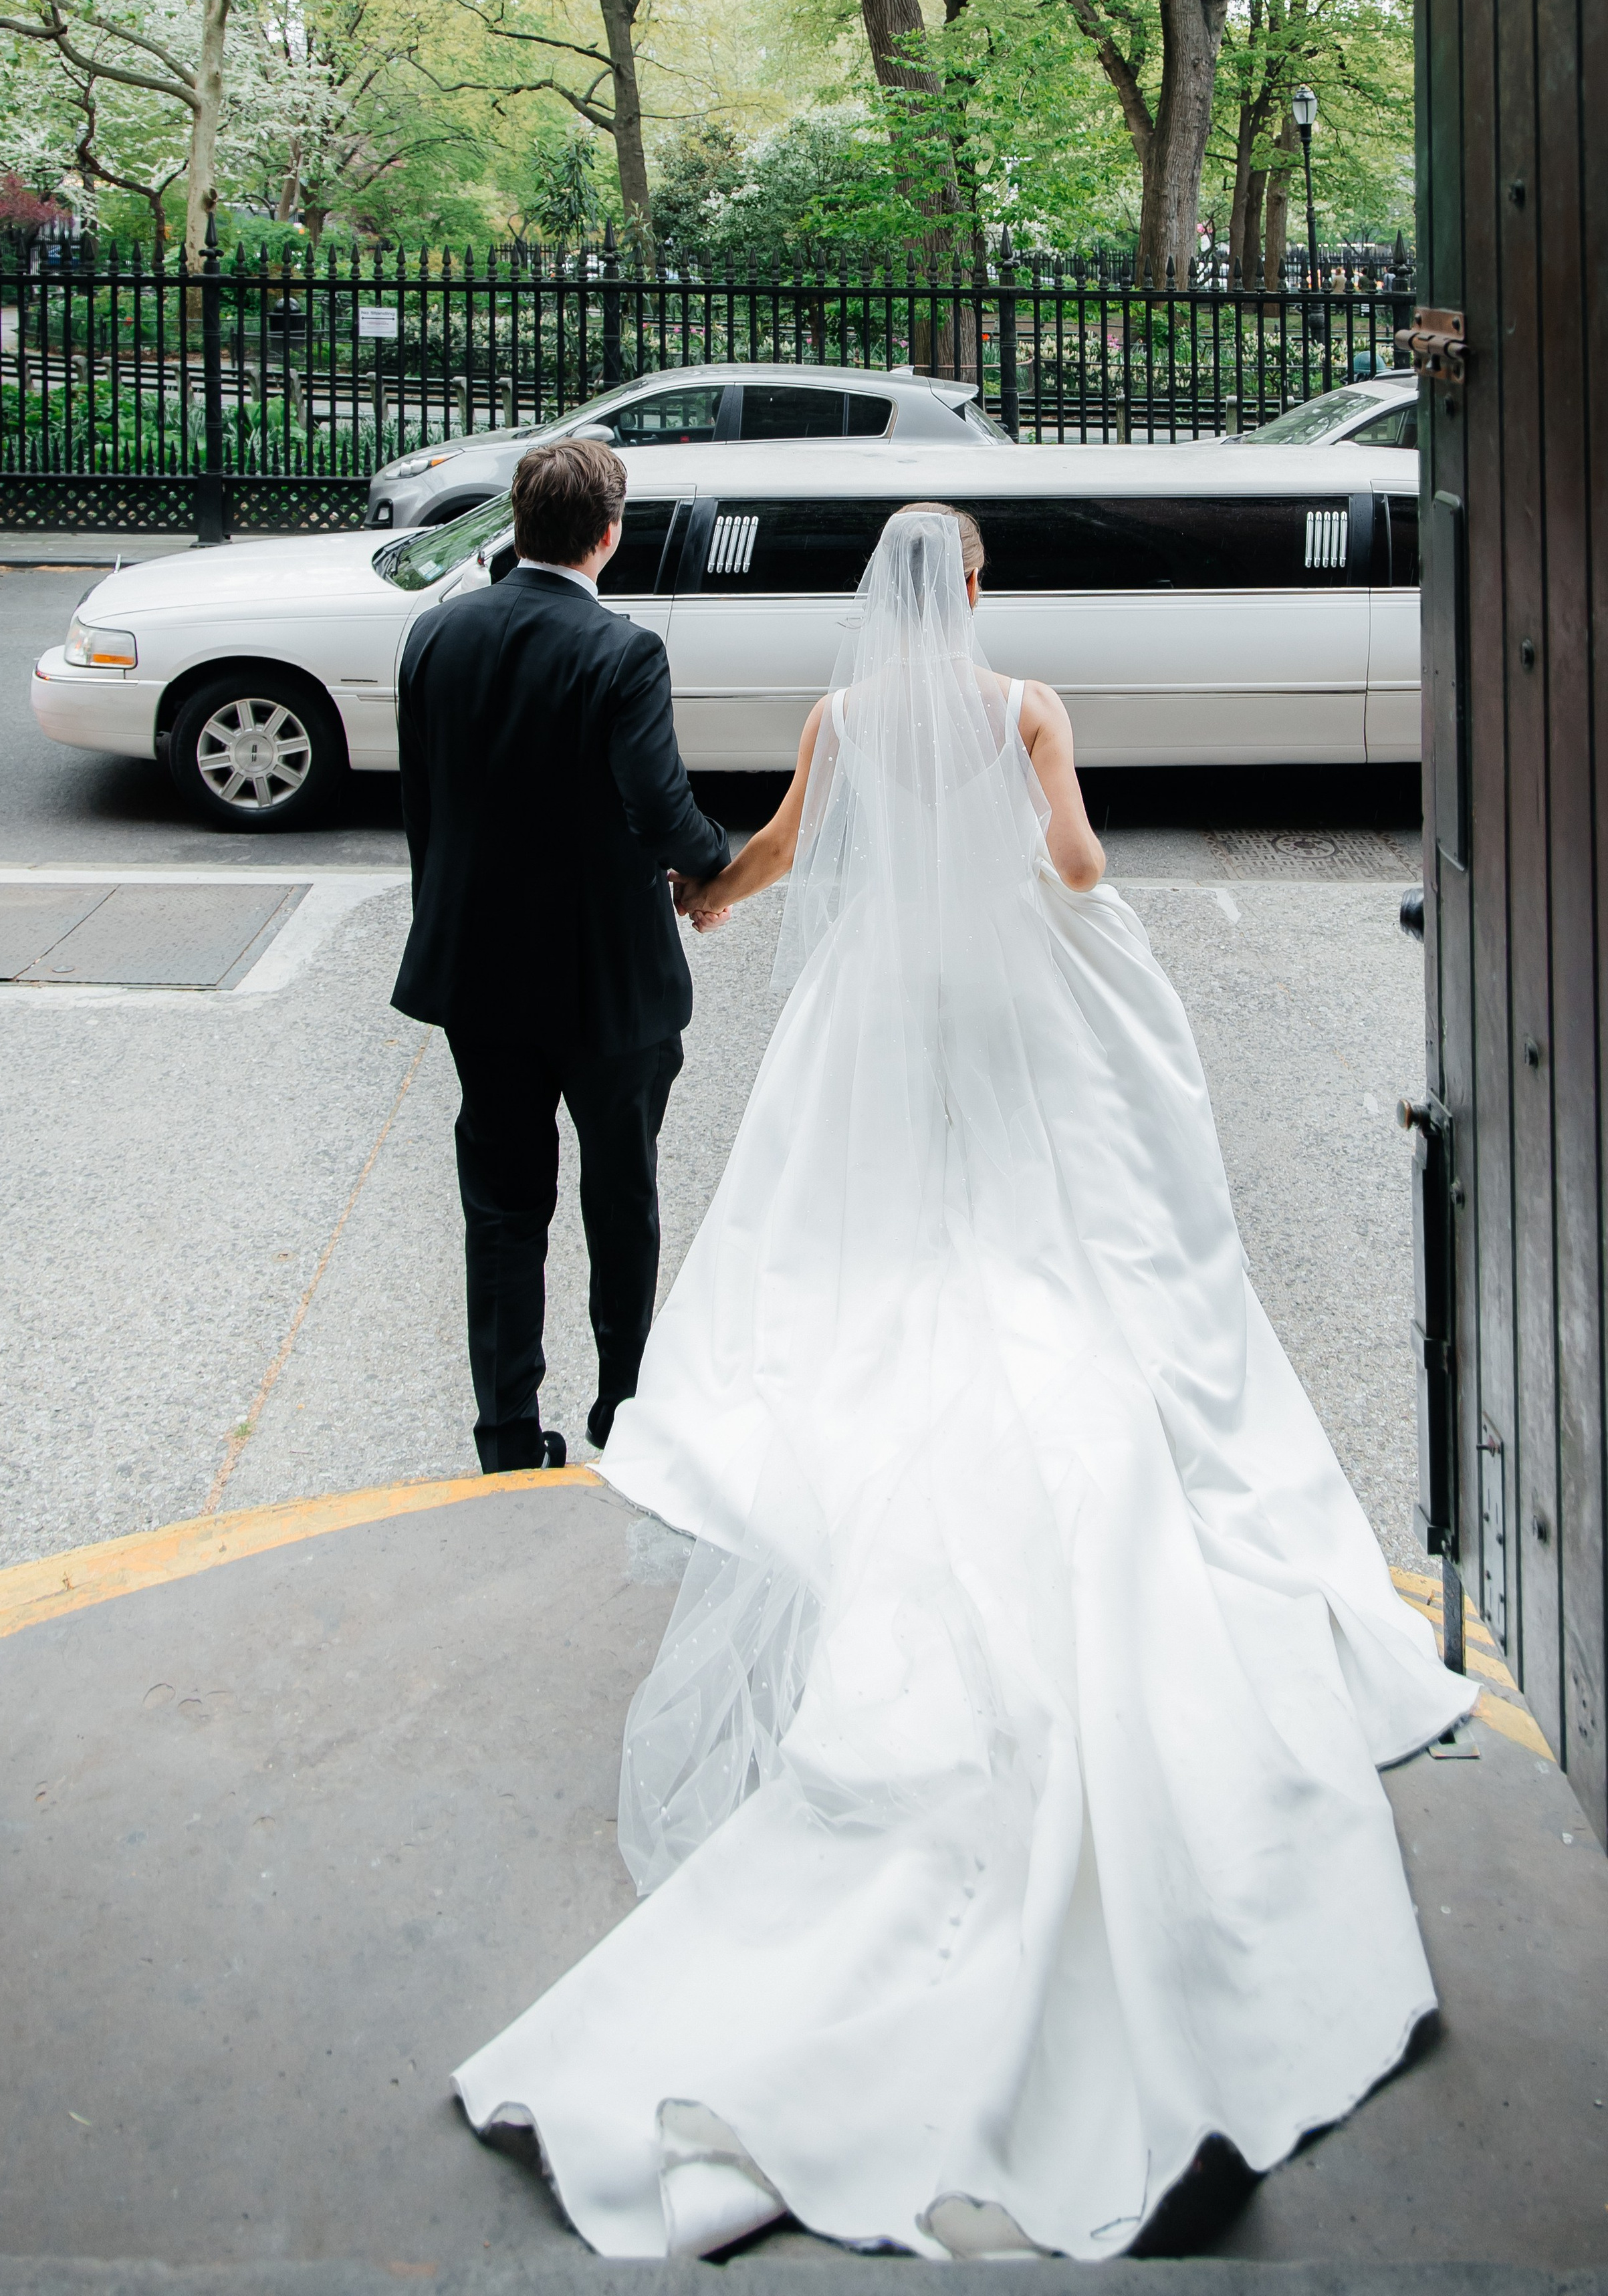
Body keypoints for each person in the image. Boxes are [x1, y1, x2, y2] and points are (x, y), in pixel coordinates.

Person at [453, 505, 1474, 2257]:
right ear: (977, 587)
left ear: (880, 602)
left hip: (883, 1009)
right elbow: (1074, 869)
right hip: (1009, 1009)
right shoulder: (1023, 704)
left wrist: (693, 888)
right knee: (1049, 1238)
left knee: (885, 1242)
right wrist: (1042, 854)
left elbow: (775, 857)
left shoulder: (850, 722)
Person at [392, 436, 729, 1475]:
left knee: (502, 1204)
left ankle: (504, 1435)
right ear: (609, 534)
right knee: (619, 1196)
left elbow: (427, 805)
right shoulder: (623, 651)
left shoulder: (434, 636)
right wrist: (710, 868)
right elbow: (659, 804)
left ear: (517, 524)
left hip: (478, 973)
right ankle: (621, 1409)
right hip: (608, 983)